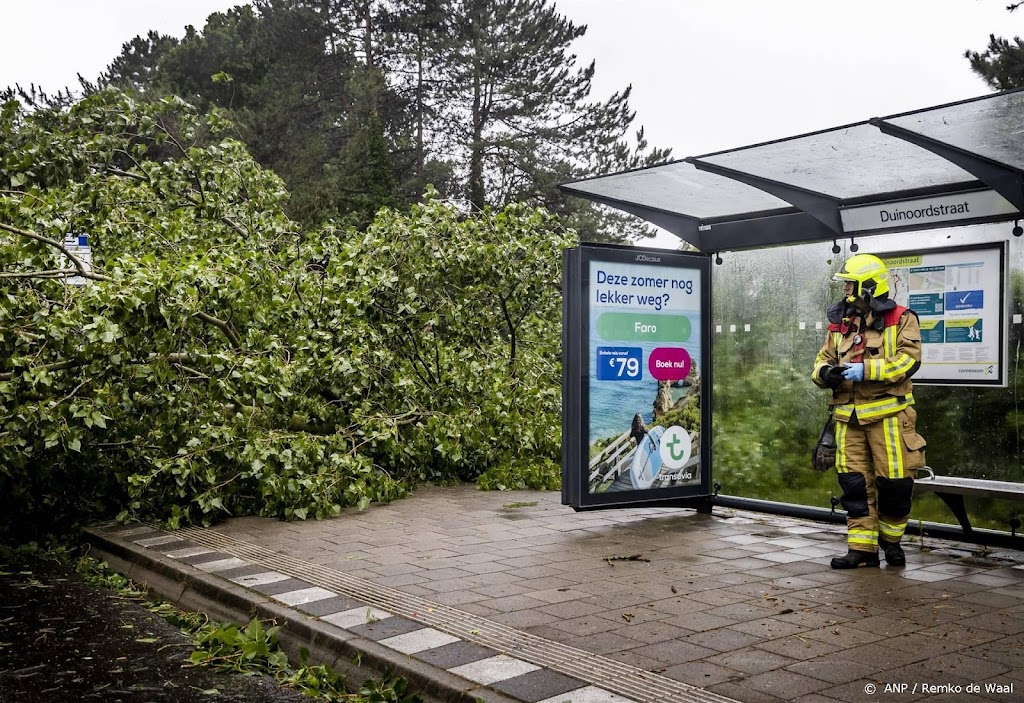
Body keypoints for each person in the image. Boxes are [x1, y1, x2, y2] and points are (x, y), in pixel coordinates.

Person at [811, 254, 927, 569]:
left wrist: (867, 370)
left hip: (889, 418)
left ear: (868, 287)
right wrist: (826, 374)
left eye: (851, 283)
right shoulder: (841, 323)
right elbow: (822, 359)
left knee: (895, 485)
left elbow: (909, 360)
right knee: (854, 486)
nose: (846, 288)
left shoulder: (902, 319)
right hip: (847, 419)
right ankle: (862, 550)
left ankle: (891, 542)